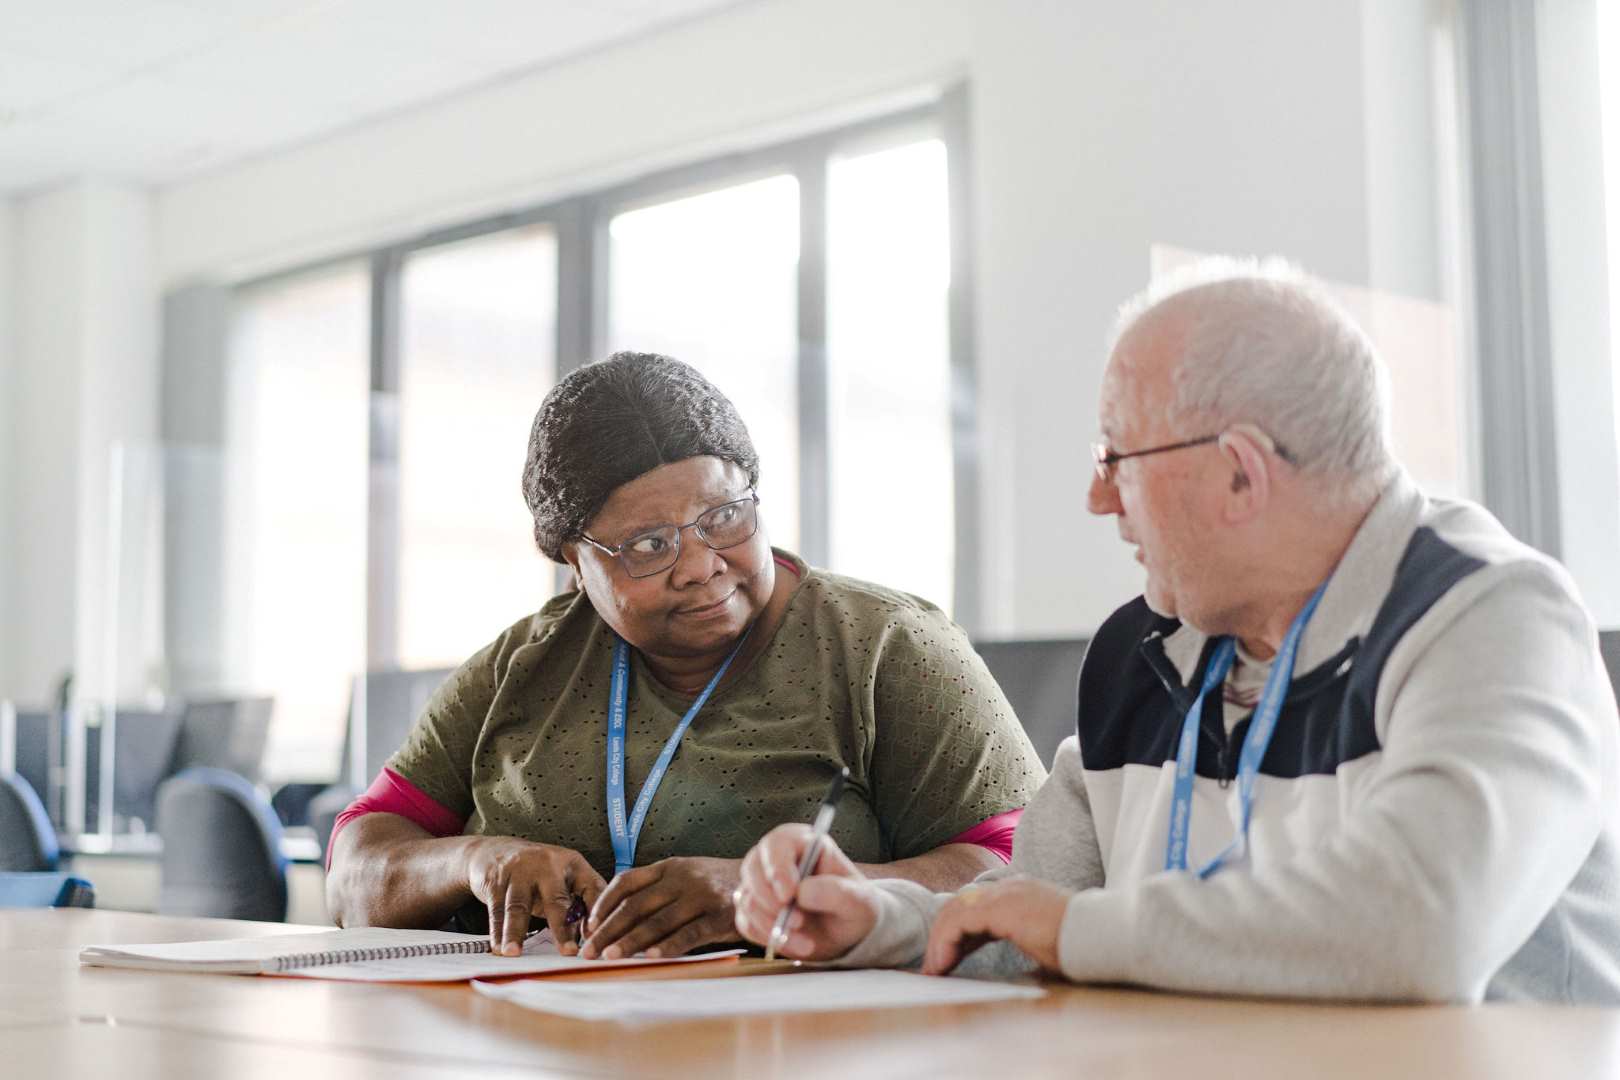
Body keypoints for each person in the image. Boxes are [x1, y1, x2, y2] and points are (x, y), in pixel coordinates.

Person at [732, 258, 1620, 1003]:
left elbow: (1423, 926)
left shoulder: (1494, 617)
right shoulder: (1143, 649)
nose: (1096, 498)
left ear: (1240, 473)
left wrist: (1073, 928)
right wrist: (875, 921)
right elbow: (1035, 914)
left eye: (1115, 457)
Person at [325, 351, 1045, 961]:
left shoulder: (887, 647)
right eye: (648, 545)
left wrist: (755, 897)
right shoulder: (523, 665)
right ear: (574, 562)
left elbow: (1027, 867)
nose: (700, 565)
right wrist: (477, 861)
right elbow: (353, 867)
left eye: (724, 517)